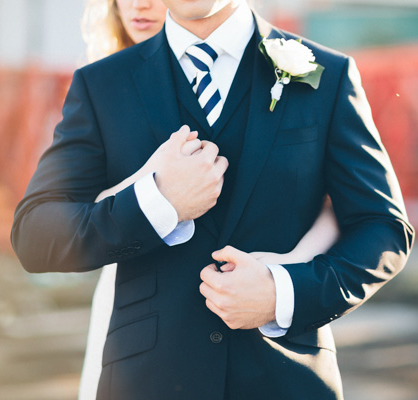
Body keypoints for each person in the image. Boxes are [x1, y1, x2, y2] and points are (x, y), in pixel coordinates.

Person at [11, 0, 415, 398]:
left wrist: (283, 293)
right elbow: (35, 234)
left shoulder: (326, 74)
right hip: (148, 382)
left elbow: (383, 227)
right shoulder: (100, 84)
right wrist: (158, 201)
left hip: (287, 380)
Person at [78, 1, 340, 399]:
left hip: (267, 328)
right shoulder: (101, 84)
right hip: (140, 315)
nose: (140, 5)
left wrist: (285, 275)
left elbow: (344, 206)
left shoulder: (303, 70)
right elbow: (74, 213)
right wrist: (156, 186)